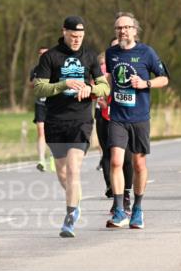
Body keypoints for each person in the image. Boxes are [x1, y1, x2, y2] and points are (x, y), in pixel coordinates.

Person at [33, 16, 109, 238]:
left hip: (81, 119)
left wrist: (91, 90)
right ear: (64, 32)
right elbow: (39, 88)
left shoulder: (90, 56)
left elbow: (104, 86)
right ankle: (75, 200)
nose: (77, 40)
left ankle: (69, 217)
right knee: (63, 173)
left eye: (80, 36)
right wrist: (63, 84)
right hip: (55, 120)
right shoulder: (50, 57)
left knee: (74, 168)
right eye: (73, 36)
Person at [104, 12, 169, 229]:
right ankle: (119, 209)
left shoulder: (147, 52)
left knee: (139, 164)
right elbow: (110, 80)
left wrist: (145, 84)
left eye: (126, 27)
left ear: (134, 30)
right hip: (117, 117)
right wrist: (105, 96)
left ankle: (138, 209)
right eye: (118, 28)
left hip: (140, 117)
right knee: (115, 161)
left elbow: (164, 78)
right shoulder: (111, 53)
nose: (122, 31)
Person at [95, 39, 133, 216]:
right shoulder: (104, 64)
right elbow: (96, 84)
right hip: (104, 114)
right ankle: (113, 188)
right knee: (108, 155)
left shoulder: (133, 62)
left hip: (126, 114)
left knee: (126, 157)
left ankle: (125, 194)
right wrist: (99, 98)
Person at [29, 47, 54, 172]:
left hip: (53, 104)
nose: (42, 55)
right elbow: (31, 85)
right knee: (41, 131)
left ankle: (53, 157)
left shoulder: (55, 67)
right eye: (40, 54)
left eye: (45, 54)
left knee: (53, 132)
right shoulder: (35, 69)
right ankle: (41, 160)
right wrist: (34, 81)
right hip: (40, 104)